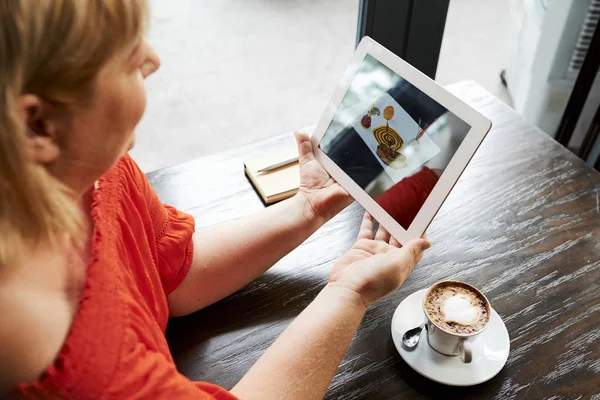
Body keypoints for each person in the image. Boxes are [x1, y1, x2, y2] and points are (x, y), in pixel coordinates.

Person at [0, 1, 431, 399]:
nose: (152, 59)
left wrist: (307, 207)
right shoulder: (80, 371)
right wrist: (348, 293)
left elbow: (170, 268)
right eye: (128, 55)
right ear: (38, 125)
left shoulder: (89, 169)